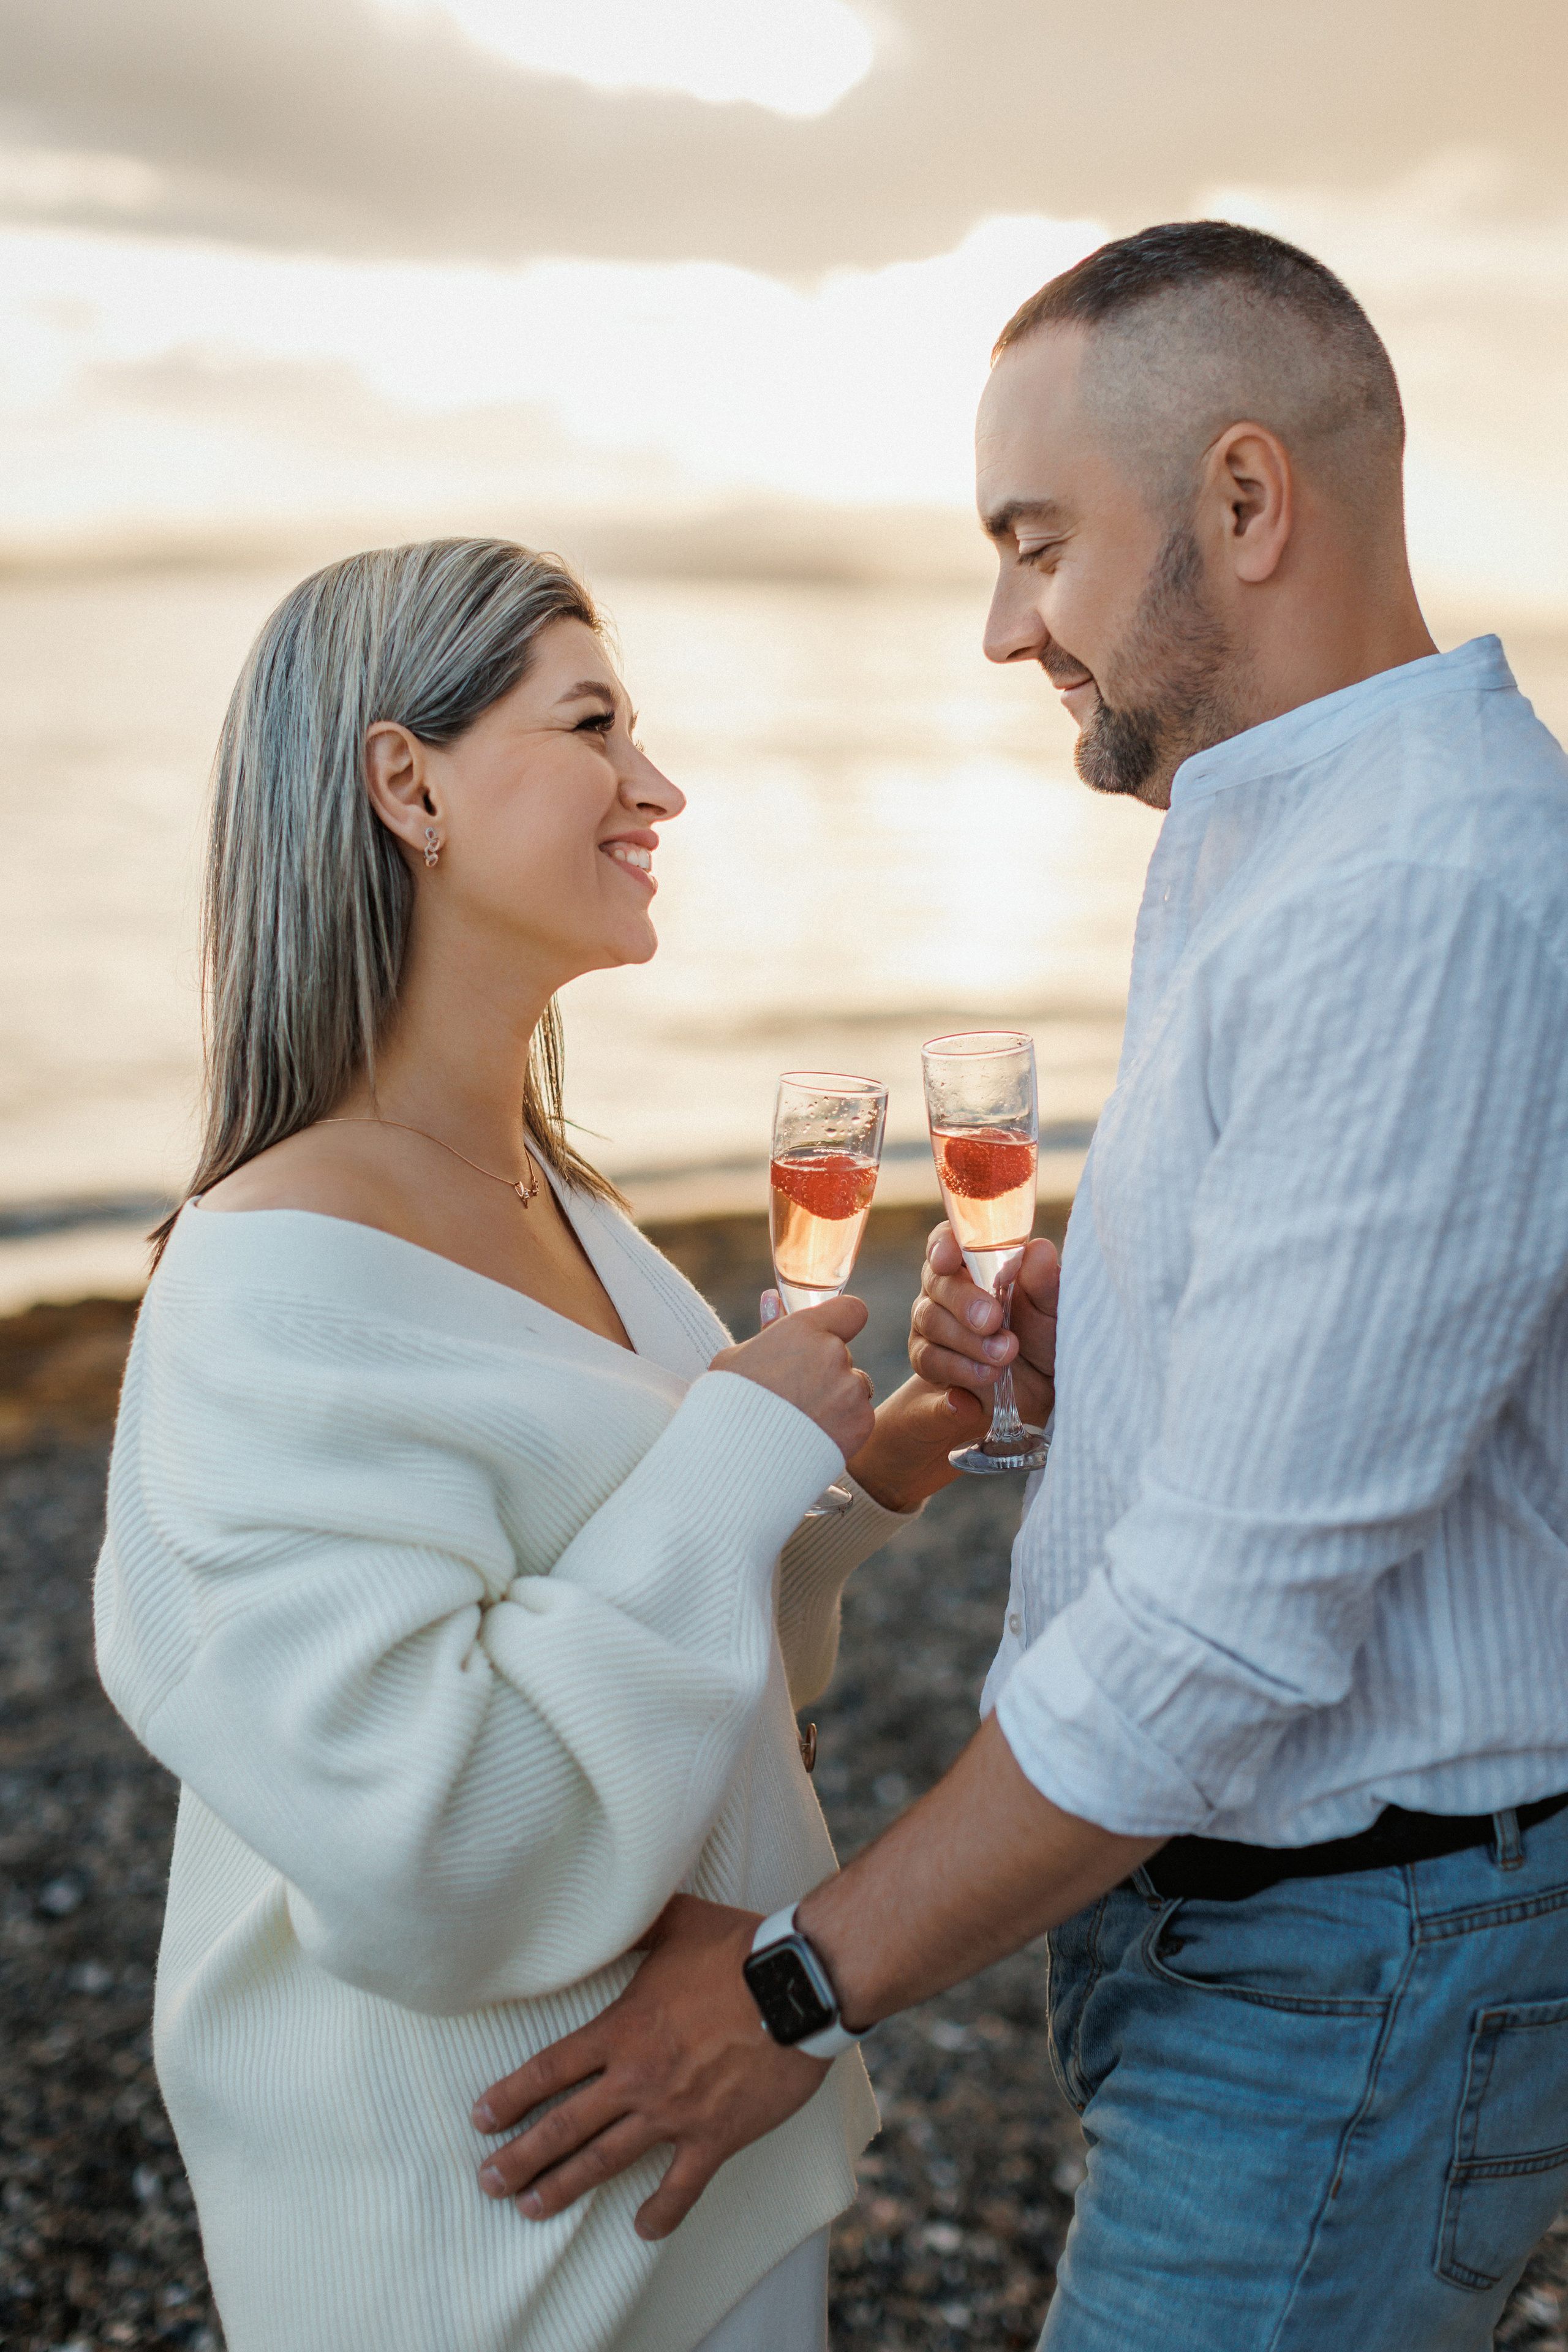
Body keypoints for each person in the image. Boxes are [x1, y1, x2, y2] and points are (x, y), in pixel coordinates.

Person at [469, 224, 1568, 2350]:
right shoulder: (1284, 841)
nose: (1003, 628)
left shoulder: (1420, 893)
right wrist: (1111, 1369)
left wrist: (793, 1979)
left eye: (1037, 546)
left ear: (1245, 501)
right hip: (1302, 1944)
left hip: (1353, 1967)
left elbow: (1230, 1631)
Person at [92, 537, 1041, 2352]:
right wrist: (728, 1453)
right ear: (405, 782)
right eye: (594, 724)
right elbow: (427, 1832)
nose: (659, 787)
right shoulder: (266, 1291)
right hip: (484, 2232)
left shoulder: (566, 1197)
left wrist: (900, 1448)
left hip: (701, 2155)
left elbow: (674, 1617)